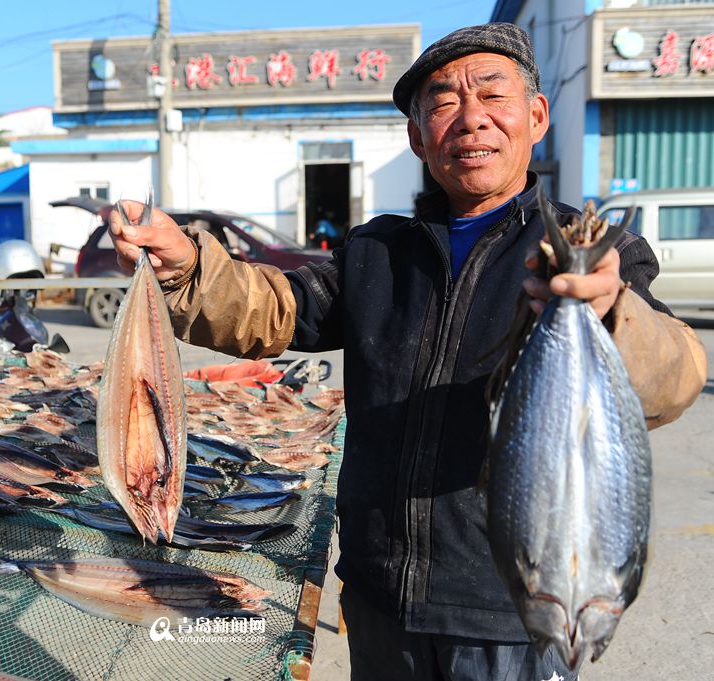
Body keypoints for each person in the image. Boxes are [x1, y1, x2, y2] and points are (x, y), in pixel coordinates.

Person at [109, 23, 708, 681]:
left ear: (536, 116)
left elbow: (675, 377)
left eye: (491, 93)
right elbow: (271, 307)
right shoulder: (378, 249)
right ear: (417, 136)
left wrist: (609, 311)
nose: (471, 118)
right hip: (379, 600)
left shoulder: (593, 251)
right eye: (444, 101)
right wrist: (185, 263)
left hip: (509, 614)